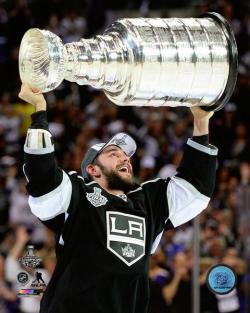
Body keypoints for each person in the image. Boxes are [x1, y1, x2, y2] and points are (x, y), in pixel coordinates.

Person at [19, 83, 217, 313]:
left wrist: (201, 122)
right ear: (93, 170)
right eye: (114, 154)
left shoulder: (148, 202)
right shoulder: (77, 194)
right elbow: (42, 177)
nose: (125, 159)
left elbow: (196, 189)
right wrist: (40, 111)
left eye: (126, 156)